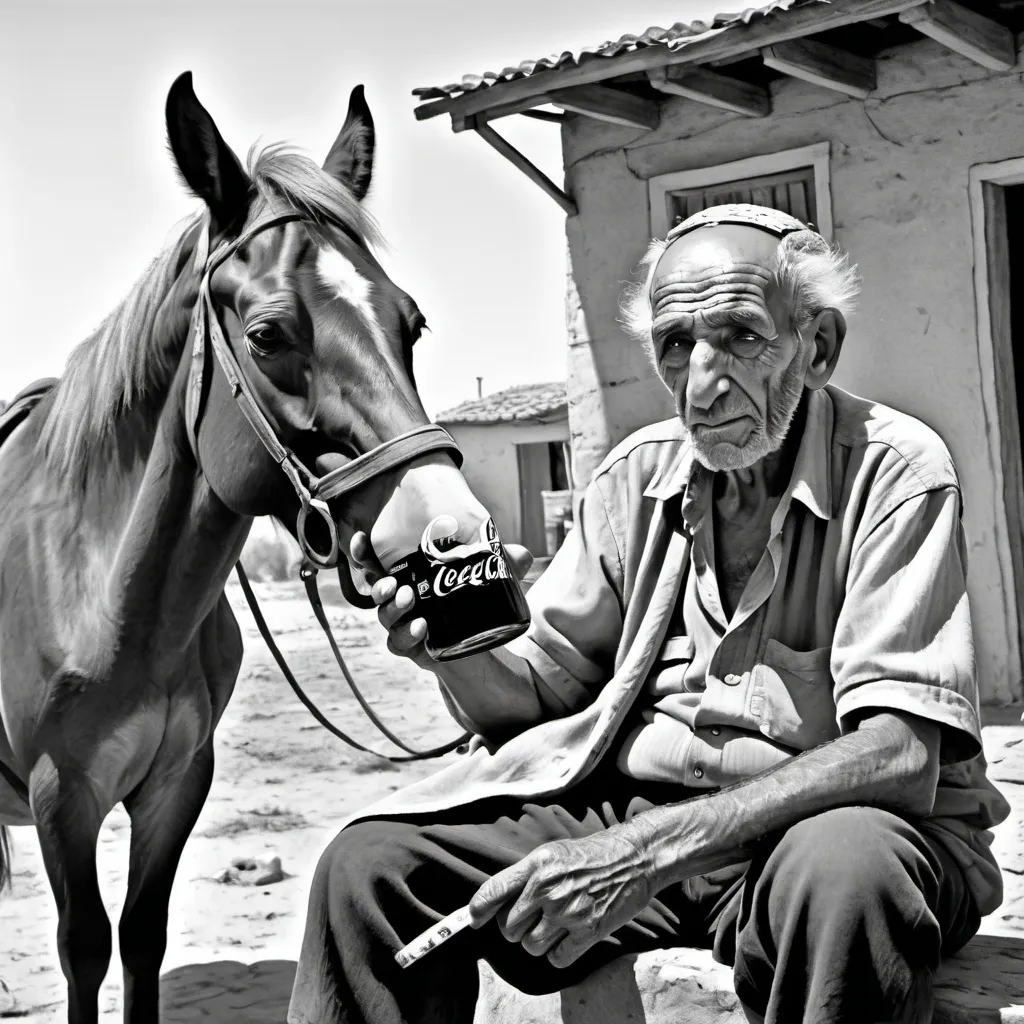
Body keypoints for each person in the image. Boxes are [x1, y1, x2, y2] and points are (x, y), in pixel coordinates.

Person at [287, 204, 1010, 1024]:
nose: (702, 386)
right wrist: (450, 651)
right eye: (676, 344)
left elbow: (900, 755)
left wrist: (641, 853)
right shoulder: (638, 477)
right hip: (649, 827)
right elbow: (535, 703)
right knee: (369, 868)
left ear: (817, 347)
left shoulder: (895, 470)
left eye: (741, 336)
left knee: (849, 870)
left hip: (834, 835)